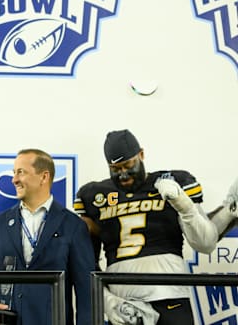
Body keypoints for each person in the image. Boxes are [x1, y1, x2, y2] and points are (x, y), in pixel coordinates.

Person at [74, 129, 218, 325]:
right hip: (123, 300)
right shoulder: (93, 195)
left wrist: (182, 203)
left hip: (169, 292)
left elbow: (206, 243)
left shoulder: (173, 181)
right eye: (115, 169)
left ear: (141, 154)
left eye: (128, 165)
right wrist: (105, 299)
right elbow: (86, 260)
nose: (123, 174)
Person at [0, 149, 94, 325]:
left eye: (21, 172)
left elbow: (87, 293)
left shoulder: (73, 226)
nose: (14, 179)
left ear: (44, 177)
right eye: (14, 173)